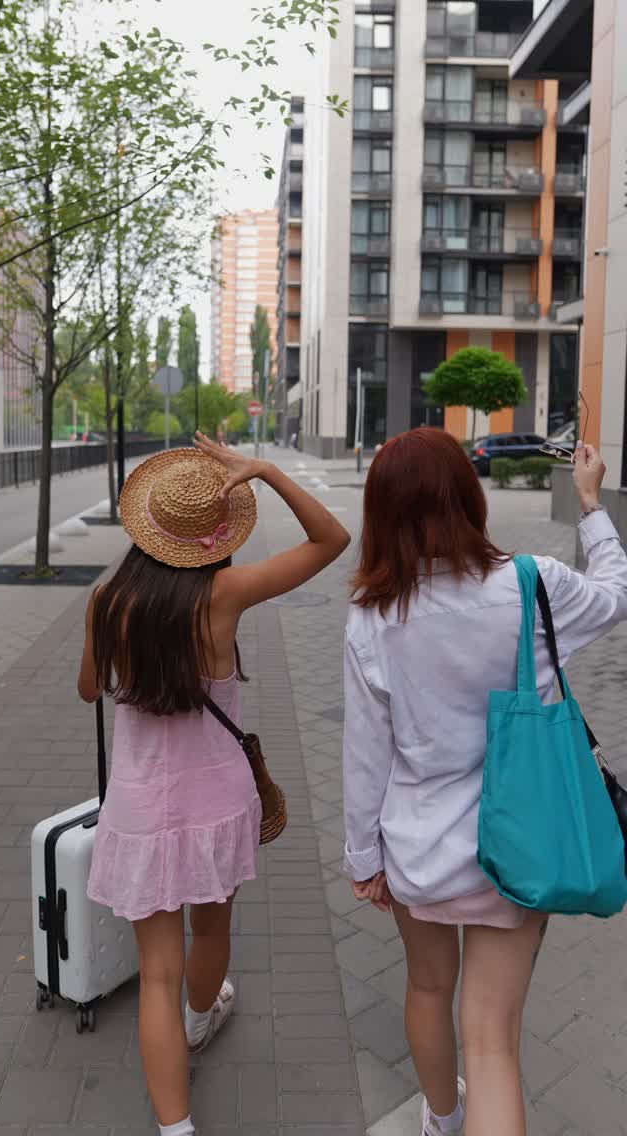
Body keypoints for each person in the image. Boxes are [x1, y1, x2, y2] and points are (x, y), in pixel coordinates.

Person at [342, 427, 627, 1136]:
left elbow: (365, 753)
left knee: (427, 989)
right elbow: (617, 595)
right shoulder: (533, 584)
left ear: (381, 514)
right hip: (524, 847)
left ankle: (442, 1121)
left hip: (418, 846)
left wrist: (362, 856)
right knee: (494, 1040)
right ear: (470, 499)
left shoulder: (375, 616)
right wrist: (590, 503)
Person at [78, 433, 350, 1136]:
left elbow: (88, 691)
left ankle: (176, 1129)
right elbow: (332, 539)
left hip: (139, 805)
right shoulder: (225, 593)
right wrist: (264, 470)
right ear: (213, 538)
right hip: (219, 801)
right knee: (214, 927)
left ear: (147, 526)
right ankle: (201, 1023)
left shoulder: (108, 602)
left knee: (155, 975)